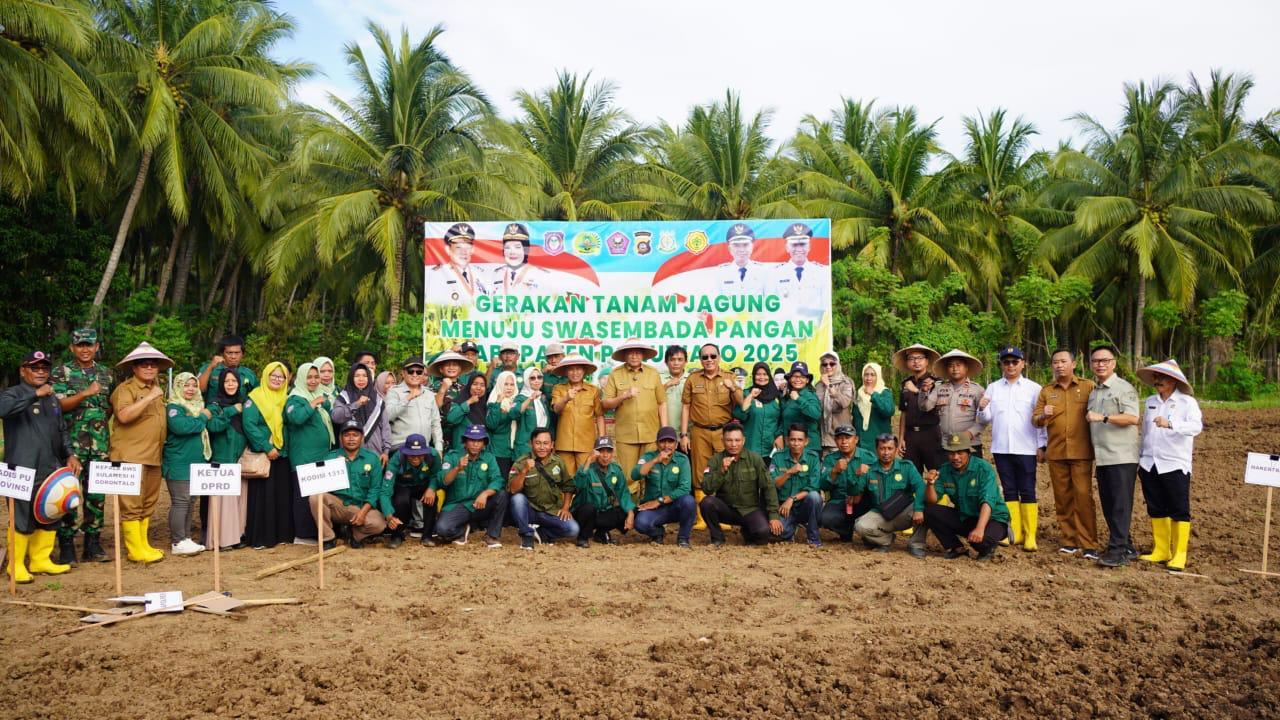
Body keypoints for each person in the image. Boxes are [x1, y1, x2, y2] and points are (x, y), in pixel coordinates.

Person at [2, 350, 81, 583]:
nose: (40, 372)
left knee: (51, 512)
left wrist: (70, 454)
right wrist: (35, 394)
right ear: (23, 370)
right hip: (21, 467)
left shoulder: (53, 399)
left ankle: (40, 560)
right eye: (34, 368)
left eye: (44, 368)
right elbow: (3, 411)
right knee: (22, 516)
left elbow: (61, 430)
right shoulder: (11, 393)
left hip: (50, 466)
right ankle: (15, 566)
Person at [51, 328, 112, 564]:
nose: (85, 349)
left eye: (89, 345)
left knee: (96, 497)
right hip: (71, 447)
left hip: (99, 447)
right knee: (68, 494)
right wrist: (85, 393)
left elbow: (109, 408)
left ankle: (93, 544)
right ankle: (67, 544)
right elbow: (58, 407)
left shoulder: (106, 374)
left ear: (96, 347)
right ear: (72, 348)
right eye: (80, 345)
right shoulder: (61, 372)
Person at [1134, 359, 1202, 572]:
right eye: (1156, 377)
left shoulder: (1187, 402)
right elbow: (1145, 431)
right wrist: (1140, 455)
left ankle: (1179, 553)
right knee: (1155, 506)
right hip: (1149, 462)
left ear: (1173, 381)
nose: (1157, 381)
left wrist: (1171, 423)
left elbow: (1196, 426)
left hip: (1174, 462)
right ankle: (1161, 549)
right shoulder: (1151, 401)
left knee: (1178, 508)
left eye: (1162, 378)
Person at [978, 346, 1047, 551]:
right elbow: (986, 418)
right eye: (1006, 362)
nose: (1010, 365)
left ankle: (1030, 535)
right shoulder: (992, 388)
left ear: (1023, 363)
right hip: (1001, 447)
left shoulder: (1034, 389)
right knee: (1008, 490)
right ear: (1001, 365)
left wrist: (1042, 444)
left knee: (1027, 490)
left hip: (1026, 447)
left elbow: (1041, 419)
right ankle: (1015, 532)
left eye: (1014, 362)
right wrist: (981, 407)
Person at [108, 342, 172, 563]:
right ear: (134, 368)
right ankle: (135, 550)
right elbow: (124, 416)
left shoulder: (157, 391)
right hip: (130, 456)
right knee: (132, 505)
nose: (149, 368)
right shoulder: (126, 390)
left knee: (148, 502)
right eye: (143, 364)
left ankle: (143, 545)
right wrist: (151, 396)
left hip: (153, 455)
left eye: (153, 365)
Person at [1033, 349, 1099, 559]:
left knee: (1083, 497)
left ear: (1073, 364)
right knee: (1062, 499)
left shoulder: (1088, 387)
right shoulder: (1046, 391)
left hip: (1082, 452)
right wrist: (1044, 415)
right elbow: (1035, 420)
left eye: (1063, 361)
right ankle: (1069, 541)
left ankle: (1089, 543)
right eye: (1055, 362)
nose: (1059, 365)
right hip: (1057, 452)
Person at [1086, 344, 1142, 568]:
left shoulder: (1123, 388)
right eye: (1096, 361)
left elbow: (1132, 417)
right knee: (1109, 504)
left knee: (1120, 504)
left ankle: (1117, 550)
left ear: (1113, 363)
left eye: (1104, 360)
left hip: (1122, 456)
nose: (1100, 364)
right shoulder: (1094, 392)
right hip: (1103, 457)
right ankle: (1126, 545)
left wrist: (1104, 417)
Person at [680, 343, 743, 528]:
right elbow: (685, 406)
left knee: (726, 471)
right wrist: (684, 434)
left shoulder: (730, 377)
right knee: (700, 473)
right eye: (705, 357)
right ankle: (701, 518)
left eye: (713, 356)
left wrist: (733, 388)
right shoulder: (692, 379)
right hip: (699, 431)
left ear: (719, 357)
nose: (709, 360)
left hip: (724, 432)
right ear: (700, 359)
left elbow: (742, 403)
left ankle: (724, 517)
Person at [922, 433, 1011, 560]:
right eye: (952, 453)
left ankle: (991, 545)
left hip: (993, 518)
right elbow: (932, 500)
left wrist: (979, 529)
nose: (955, 457)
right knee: (928, 510)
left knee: (980, 541)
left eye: (960, 453)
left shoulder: (983, 469)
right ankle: (956, 548)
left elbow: (987, 501)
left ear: (969, 453)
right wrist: (930, 484)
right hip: (966, 516)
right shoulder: (945, 470)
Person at [699, 423, 782, 546]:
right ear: (722, 441)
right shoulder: (715, 460)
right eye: (729, 440)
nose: (733, 444)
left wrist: (774, 515)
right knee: (707, 503)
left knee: (763, 533)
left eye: (737, 440)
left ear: (743, 441)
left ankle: (747, 532)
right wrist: (721, 471)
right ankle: (717, 538)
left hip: (750, 510)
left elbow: (768, 487)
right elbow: (707, 489)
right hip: (726, 509)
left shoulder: (755, 459)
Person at [602, 339, 667, 495]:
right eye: (630, 352)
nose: (634, 356)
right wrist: (623, 396)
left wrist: (664, 430)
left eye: (637, 352)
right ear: (624, 355)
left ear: (643, 355)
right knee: (629, 476)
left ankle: (651, 515)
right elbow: (606, 404)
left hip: (651, 434)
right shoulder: (615, 374)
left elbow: (661, 403)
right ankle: (630, 513)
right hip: (626, 435)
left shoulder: (653, 373)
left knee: (652, 475)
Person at [241, 361, 294, 549]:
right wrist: (266, 446)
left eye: (281, 377)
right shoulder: (254, 398)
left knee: (280, 495)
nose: (277, 379)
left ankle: (281, 535)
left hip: (283, 453)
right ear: (265, 376)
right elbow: (249, 425)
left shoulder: (287, 398)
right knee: (263, 496)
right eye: (273, 375)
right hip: (265, 453)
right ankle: (261, 537)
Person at [432, 424, 508, 548]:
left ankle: (491, 535)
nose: (475, 444)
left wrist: (485, 494)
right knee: (442, 529)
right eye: (472, 440)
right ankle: (461, 531)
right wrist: (457, 468)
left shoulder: (489, 458)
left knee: (502, 495)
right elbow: (442, 481)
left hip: (479, 504)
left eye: (479, 441)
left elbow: (498, 480)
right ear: (465, 442)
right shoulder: (452, 456)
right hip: (457, 505)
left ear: (484, 443)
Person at [283, 362, 335, 543]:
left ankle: (317, 532)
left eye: (316, 377)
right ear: (301, 379)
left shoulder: (318, 395)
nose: (313, 381)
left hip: (321, 455)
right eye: (309, 377)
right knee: (304, 496)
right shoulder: (296, 398)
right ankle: (303, 535)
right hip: (303, 456)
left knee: (318, 495)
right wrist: (312, 404)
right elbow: (296, 418)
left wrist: (321, 403)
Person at [851, 433, 928, 555]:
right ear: (876, 450)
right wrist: (858, 476)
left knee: (927, 508)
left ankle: (916, 544)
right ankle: (885, 540)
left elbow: (920, 487)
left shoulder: (907, 467)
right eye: (882, 448)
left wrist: (918, 509)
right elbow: (855, 495)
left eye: (890, 448)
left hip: (904, 513)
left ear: (896, 450)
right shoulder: (869, 470)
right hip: (881, 513)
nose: (886, 453)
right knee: (860, 526)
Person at [161, 372, 210, 556]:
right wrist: (203, 418)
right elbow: (182, 427)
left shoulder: (197, 406)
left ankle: (186, 538)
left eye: (194, 385)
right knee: (181, 502)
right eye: (186, 385)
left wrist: (200, 417)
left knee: (190, 502)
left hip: (195, 462)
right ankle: (177, 541)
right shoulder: (174, 407)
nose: (190, 389)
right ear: (178, 387)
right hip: (179, 462)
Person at [320, 420, 389, 549]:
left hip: (361, 507)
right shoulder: (331, 458)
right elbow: (321, 484)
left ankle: (355, 535)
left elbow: (375, 490)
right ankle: (329, 538)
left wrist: (362, 513)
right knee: (315, 498)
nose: (351, 439)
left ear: (362, 438)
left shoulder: (372, 459)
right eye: (347, 435)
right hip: (338, 506)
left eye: (355, 435)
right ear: (341, 438)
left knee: (379, 524)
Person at [507, 427, 579, 550]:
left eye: (545, 443)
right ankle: (527, 535)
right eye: (538, 443)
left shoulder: (558, 462)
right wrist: (524, 471)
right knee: (517, 499)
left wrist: (566, 508)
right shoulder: (521, 462)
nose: (542, 447)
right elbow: (512, 489)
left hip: (550, 511)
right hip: (529, 510)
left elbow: (568, 486)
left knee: (573, 529)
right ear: (531, 444)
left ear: (552, 445)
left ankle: (541, 533)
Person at [205, 368, 249, 551]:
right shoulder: (214, 405)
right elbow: (213, 426)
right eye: (226, 382)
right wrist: (230, 411)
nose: (231, 385)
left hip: (240, 458)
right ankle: (221, 539)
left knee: (239, 499)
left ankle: (237, 535)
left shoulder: (244, 403)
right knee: (223, 500)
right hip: (223, 459)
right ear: (221, 384)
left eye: (234, 381)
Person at [632, 427, 696, 548]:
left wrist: (659, 501)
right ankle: (658, 533)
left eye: (670, 441)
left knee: (689, 501)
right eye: (662, 441)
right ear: (657, 444)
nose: (666, 445)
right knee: (640, 523)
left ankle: (683, 538)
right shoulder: (648, 457)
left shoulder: (682, 460)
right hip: (654, 509)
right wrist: (655, 461)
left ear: (676, 444)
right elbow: (635, 475)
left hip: (674, 506)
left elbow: (685, 488)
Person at [571, 436, 636, 547]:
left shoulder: (616, 470)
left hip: (602, 513)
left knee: (631, 511)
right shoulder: (587, 469)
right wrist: (588, 460)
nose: (605, 455)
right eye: (601, 451)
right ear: (595, 452)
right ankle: (583, 537)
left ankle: (601, 532)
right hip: (584, 515)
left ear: (612, 453)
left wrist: (631, 513)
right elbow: (577, 486)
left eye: (608, 451)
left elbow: (623, 493)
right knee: (588, 508)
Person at [383, 433, 442, 548]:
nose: (415, 458)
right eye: (411, 455)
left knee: (432, 500)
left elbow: (437, 474)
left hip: (423, 485)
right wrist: (388, 515)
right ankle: (397, 536)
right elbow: (385, 491)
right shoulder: (397, 459)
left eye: (420, 455)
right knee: (401, 501)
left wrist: (432, 488)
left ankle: (427, 536)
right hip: (403, 486)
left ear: (425, 452)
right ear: (405, 452)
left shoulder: (433, 456)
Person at [924, 349, 987, 454]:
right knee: (946, 470)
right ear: (947, 369)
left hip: (970, 444)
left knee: (972, 470)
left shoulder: (977, 389)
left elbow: (984, 419)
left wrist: (970, 433)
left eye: (958, 365)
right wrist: (923, 392)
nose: (954, 368)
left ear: (966, 368)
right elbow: (925, 407)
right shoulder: (940, 388)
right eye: (951, 365)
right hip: (946, 444)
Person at [768, 425, 823, 546]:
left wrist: (792, 499)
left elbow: (813, 487)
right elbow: (773, 484)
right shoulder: (778, 457)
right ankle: (792, 530)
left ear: (806, 441)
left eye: (800, 440)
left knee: (815, 497)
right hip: (784, 509)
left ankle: (813, 536)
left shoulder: (813, 458)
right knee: (776, 533)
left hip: (804, 506)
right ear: (787, 441)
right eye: (793, 440)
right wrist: (788, 473)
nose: (796, 443)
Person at [550, 354, 605, 476]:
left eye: (578, 369)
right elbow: (556, 410)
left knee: (587, 478)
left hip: (586, 444)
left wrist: (602, 440)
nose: (575, 373)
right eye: (571, 369)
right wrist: (566, 398)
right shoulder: (558, 389)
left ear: (584, 371)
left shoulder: (593, 390)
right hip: (564, 444)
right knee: (566, 481)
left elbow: (600, 415)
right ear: (566, 372)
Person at [818, 425, 875, 542]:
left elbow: (878, 482)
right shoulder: (830, 459)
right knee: (825, 518)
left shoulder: (868, 457)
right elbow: (822, 485)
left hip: (862, 501)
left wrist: (864, 480)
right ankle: (846, 531)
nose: (844, 442)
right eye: (840, 438)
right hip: (839, 501)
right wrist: (834, 472)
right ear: (835, 440)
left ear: (856, 439)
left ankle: (867, 533)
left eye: (848, 438)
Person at [894, 344, 944, 474]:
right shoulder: (905, 383)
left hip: (930, 434)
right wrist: (901, 439)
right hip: (910, 436)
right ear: (907, 363)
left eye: (920, 358)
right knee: (911, 474)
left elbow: (932, 405)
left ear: (927, 361)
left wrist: (916, 391)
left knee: (936, 473)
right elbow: (903, 413)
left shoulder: (935, 383)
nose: (916, 361)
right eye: (912, 358)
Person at [331, 363, 391, 464]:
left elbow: (385, 427)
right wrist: (357, 404)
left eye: (364, 376)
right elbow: (336, 417)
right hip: (349, 454)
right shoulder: (343, 397)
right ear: (351, 378)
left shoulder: (377, 399)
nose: (361, 379)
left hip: (375, 453)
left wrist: (386, 451)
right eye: (357, 376)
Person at [385, 355, 444, 454]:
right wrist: (407, 398)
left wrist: (439, 447)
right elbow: (387, 416)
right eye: (411, 371)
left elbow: (435, 423)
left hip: (424, 448)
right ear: (403, 373)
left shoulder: (429, 394)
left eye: (419, 372)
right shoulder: (394, 392)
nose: (415, 374)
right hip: (401, 447)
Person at [770, 223, 829, 318]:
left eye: (802, 244)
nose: (799, 249)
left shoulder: (822, 273)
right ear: (787, 248)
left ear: (809, 247)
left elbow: (826, 307)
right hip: (787, 329)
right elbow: (772, 308)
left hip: (813, 329)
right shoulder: (776, 274)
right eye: (794, 244)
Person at [424, 222, 489, 305]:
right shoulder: (437, 275)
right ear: (448, 250)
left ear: (472, 249)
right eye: (458, 247)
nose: (463, 252)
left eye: (467, 247)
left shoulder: (481, 273)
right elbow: (432, 306)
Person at [733, 361, 783, 458]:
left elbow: (782, 420)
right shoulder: (746, 393)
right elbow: (740, 416)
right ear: (753, 376)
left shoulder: (777, 396)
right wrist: (751, 396)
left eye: (765, 374)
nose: (762, 377)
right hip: (751, 448)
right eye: (758, 374)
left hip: (771, 449)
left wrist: (779, 435)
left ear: (769, 376)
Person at [197, 334, 257, 402]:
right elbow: (197, 391)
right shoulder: (209, 368)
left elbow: (257, 397)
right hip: (213, 411)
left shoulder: (249, 374)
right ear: (222, 353)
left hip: (239, 410)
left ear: (242, 354)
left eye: (237, 353)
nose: (233, 356)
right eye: (229, 353)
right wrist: (210, 368)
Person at [778, 361, 821, 455]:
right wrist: (779, 435)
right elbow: (783, 419)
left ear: (807, 380)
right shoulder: (787, 397)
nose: (798, 379)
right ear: (789, 379)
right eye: (794, 376)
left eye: (802, 377)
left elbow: (816, 414)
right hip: (790, 446)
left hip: (809, 448)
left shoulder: (810, 395)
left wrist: (798, 399)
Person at [815, 352, 853, 455]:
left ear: (838, 365)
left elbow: (844, 402)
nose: (828, 367)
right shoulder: (818, 385)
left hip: (840, 437)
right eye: (824, 364)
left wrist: (829, 385)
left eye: (832, 364)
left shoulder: (846, 382)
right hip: (823, 437)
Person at [485, 370, 521, 477]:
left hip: (514, 450)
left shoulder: (517, 402)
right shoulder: (493, 402)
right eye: (506, 384)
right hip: (499, 451)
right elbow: (491, 424)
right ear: (500, 384)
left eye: (512, 384)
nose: (509, 387)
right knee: (501, 484)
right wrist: (498, 402)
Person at [852, 362, 894, 454]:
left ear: (878, 376)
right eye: (866, 374)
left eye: (872, 375)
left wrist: (873, 394)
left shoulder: (884, 392)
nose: (868, 378)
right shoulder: (859, 394)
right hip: (861, 446)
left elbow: (889, 411)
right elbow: (855, 421)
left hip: (880, 445)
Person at [512, 366, 550, 459]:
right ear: (526, 380)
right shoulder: (521, 397)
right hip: (525, 448)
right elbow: (513, 413)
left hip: (541, 449)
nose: (537, 380)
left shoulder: (541, 399)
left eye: (539, 377)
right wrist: (530, 398)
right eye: (532, 378)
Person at [445, 373, 490, 451]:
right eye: (475, 384)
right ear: (469, 386)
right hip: (461, 453)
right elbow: (451, 419)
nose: (478, 388)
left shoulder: (486, 406)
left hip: (480, 455)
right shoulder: (459, 402)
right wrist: (468, 402)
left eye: (482, 385)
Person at [659, 345, 689, 431]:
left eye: (680, 360)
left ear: (686, 361)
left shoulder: (692, 379)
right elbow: (651, 400)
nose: (676, 363)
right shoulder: (657, 378)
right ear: (666, 362)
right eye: (672, 360)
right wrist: (666, 385)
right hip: (664, 431)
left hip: (687, 432)